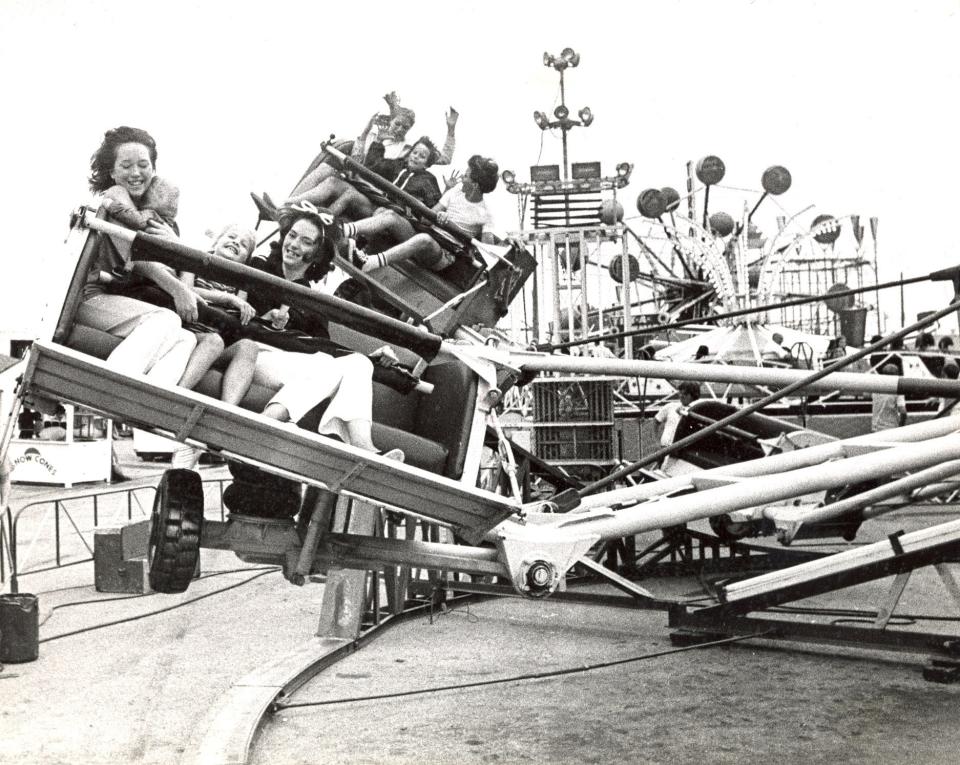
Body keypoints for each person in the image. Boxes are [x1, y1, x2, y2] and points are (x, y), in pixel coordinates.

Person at [77, 127, 226, 468]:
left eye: (143, 164)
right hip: (91, 298)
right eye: (126, 165)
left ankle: (151, 406)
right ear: (112, 171)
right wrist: (179, 289)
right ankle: (114, 386)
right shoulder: (114, 196)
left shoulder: (142, 209)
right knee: (167, 319)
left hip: (111, 296)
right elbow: (139, 258)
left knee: (186, 339)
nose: (135, 173)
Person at [243, 203, 403, 457]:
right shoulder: (259, 267)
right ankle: (269, 419)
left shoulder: (313, 298)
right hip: (253, 354)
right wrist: (265, 316)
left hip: (294, 363)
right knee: (325, 365)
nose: (294, 244)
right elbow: (239, 318)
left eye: (306, 242)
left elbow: (322, 345)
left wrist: (374, 359)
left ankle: (365, 449)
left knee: (359, 363)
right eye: (292, 236)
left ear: (317, 253)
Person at [275, 93, 458, 215]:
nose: (400, 129)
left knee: (336, 178)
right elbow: (360, 156)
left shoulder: (408, 148)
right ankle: (285, 205)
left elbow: (442, 157)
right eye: (397, 124)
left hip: (373, 187)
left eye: (405, 127)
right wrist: (368, 132)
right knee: (326, 168)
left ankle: (298, 210)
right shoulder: (376, 136)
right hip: (358, 175)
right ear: (390, 121)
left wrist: (451, 129)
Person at [342, 154, 499, 273]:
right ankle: (342, 230)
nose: (462, 178)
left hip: (443, 254)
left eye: (466, 175)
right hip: (426, 234)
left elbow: (488, 252)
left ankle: (369, 262)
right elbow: (425, 220)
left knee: (424, 239)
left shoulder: (486, 215)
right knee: (390, 214)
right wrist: (437, 217)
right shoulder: (456, 191)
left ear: (475, 185)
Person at [288, 136, 444, 220]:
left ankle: (321, 221)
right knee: (331, 179)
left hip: (384, 212)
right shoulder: (398, 165)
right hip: (372, 200)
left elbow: (432, 209)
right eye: (415, 153)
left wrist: (448, 190)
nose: (415, 157)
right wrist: (378, 142)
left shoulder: (427, 180)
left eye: (422, 157)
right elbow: (373, 165)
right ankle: (287, 205)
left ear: (427, 163)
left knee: (349, 194)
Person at [871, 363, 907, 432]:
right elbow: (903, 412)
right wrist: (901, 427)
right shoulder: (897, 391)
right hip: (890, 428)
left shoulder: (875, 389)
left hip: (875, 428)